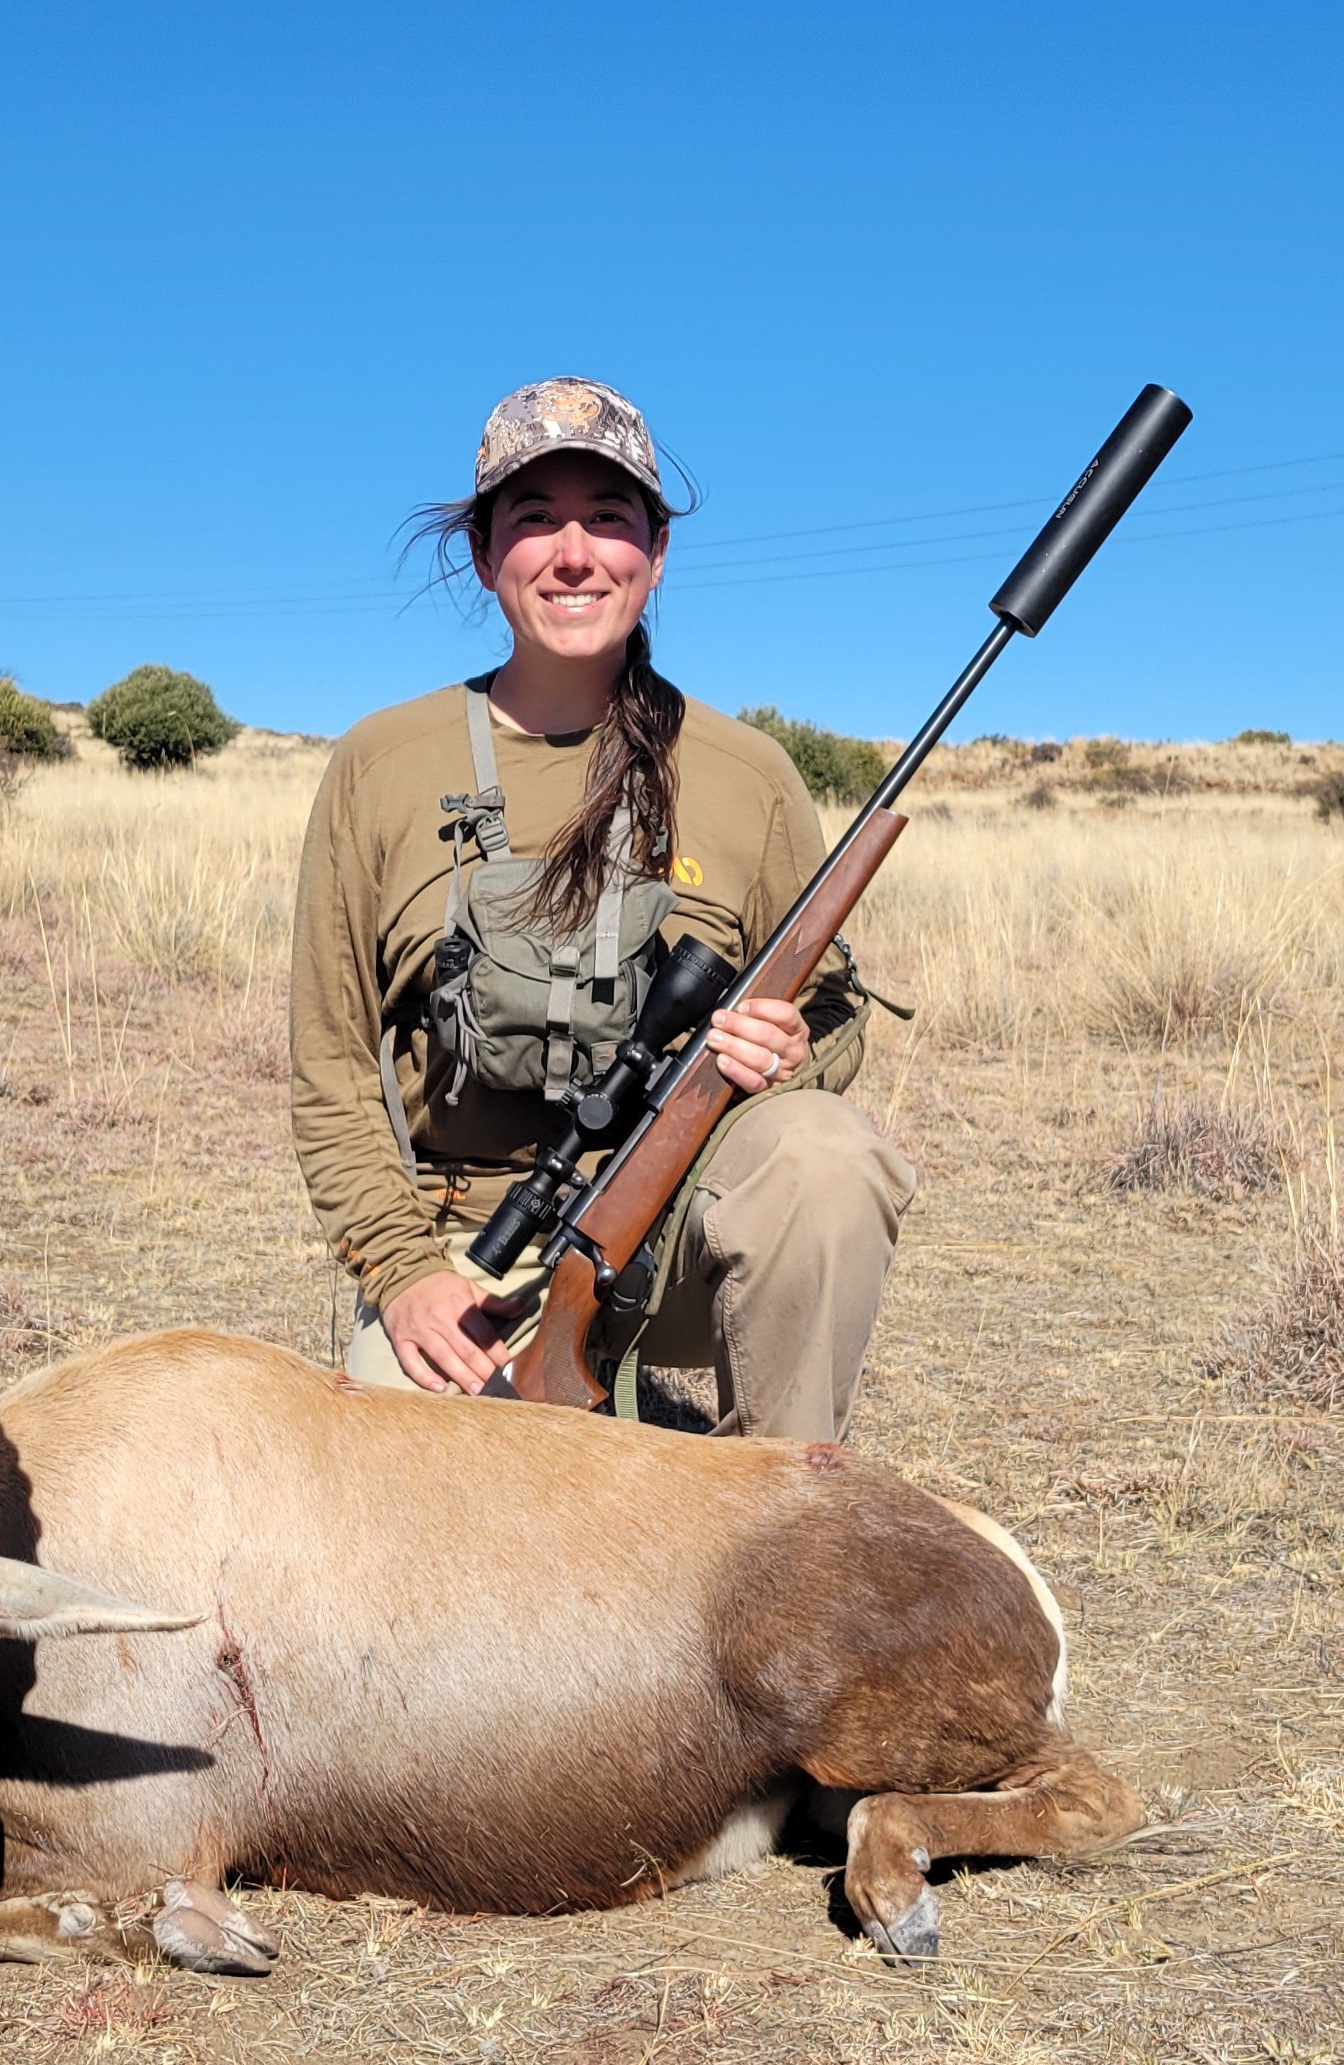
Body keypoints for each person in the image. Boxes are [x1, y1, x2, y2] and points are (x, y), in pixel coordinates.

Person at [288, 376, 912, 1441]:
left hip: (674, 1249)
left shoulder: (748, 774)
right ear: (486, 555)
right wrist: (404, 1275)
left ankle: (783, 1521)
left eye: (609, 519)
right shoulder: (380, 764)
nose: (574, 554)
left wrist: (790, 1048)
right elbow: (331, 1068)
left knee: (827, 1155)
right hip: (467, 1261)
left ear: (656, 554)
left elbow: (837, 1011)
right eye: (534, 519)